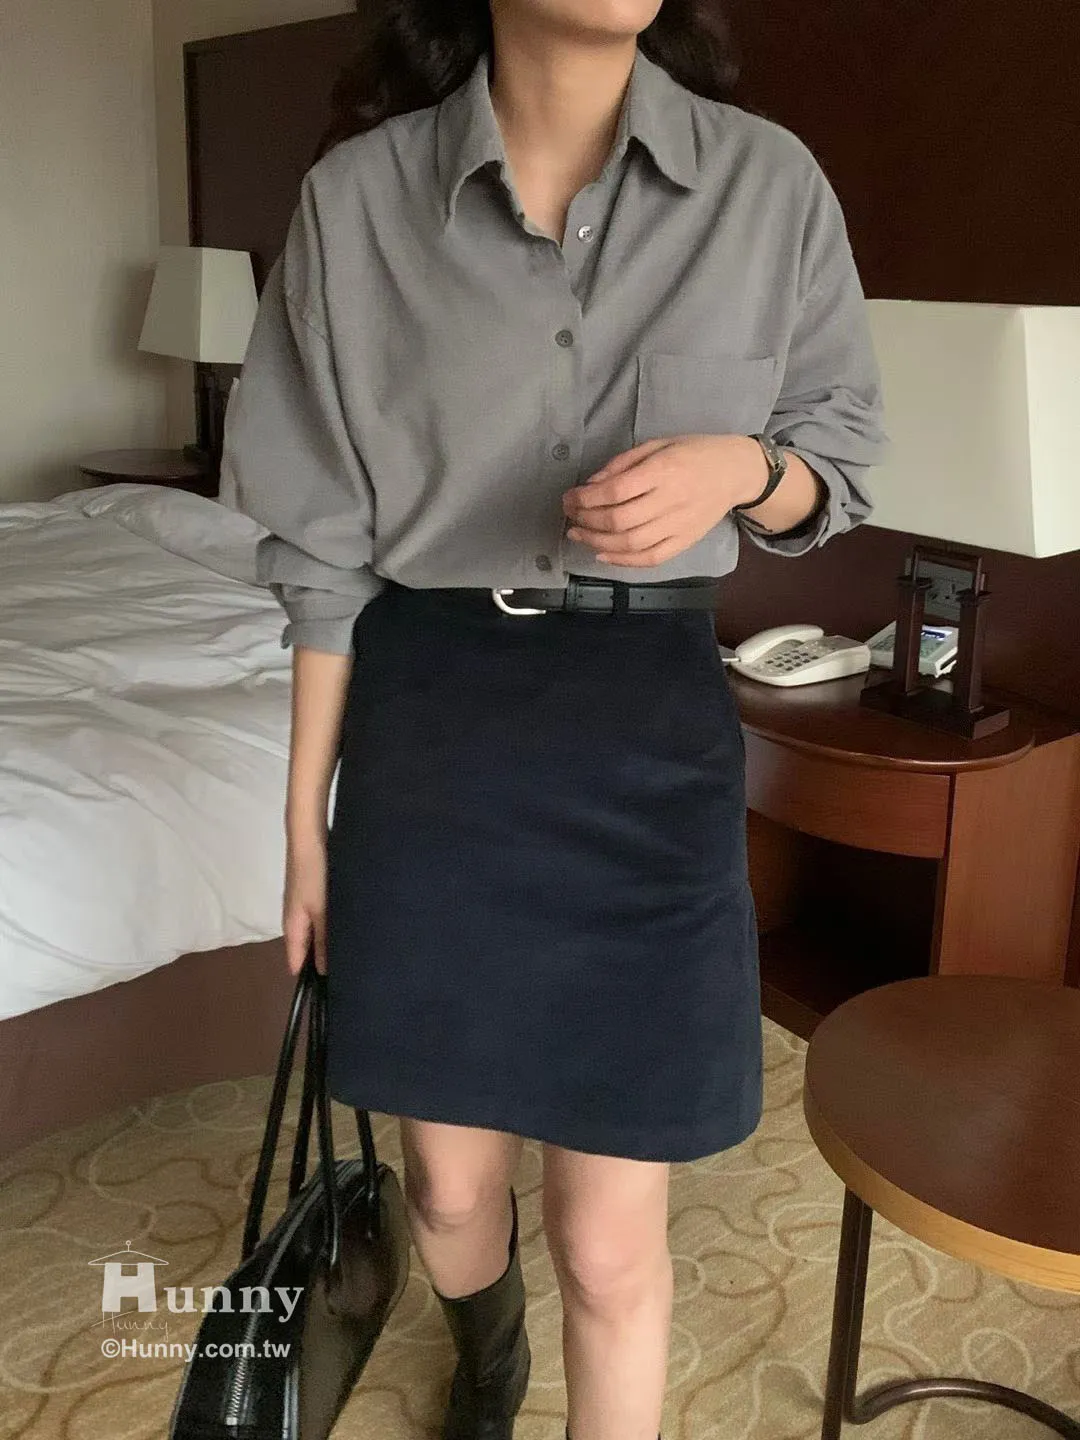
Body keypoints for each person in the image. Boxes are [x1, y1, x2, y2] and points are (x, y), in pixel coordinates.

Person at [222, 1, 887, 1437]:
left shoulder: (766, 184)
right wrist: (304, 824)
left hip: (644, 732)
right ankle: (490, 1350)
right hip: (435, 727)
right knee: (449, 1191)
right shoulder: (356, 204)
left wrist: (742, 470)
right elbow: (323, 552)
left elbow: (836, 458)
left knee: (607, 1240)